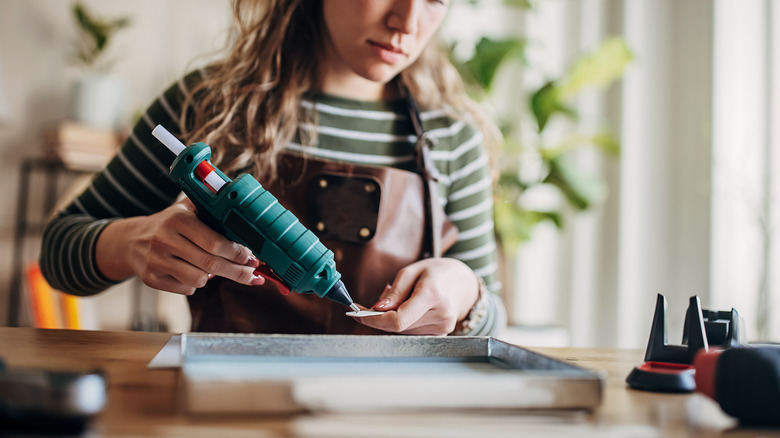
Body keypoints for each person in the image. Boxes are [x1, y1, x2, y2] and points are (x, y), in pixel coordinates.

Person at [41, 0, 506, 336]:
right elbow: (57, 255)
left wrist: (468, 296)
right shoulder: (209, 104)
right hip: (230, 414)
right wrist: (130, 243)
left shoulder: (452, 139)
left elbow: (496, 327)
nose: (406, 21)